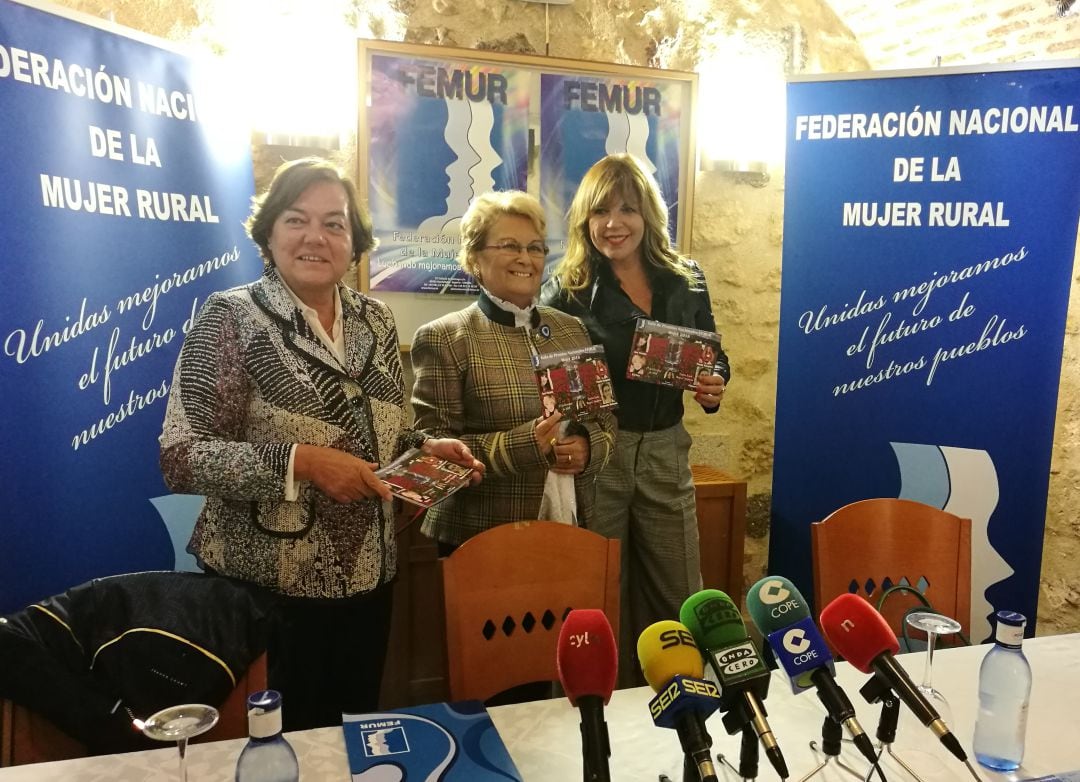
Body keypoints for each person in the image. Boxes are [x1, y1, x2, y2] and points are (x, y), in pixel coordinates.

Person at [159, 157, 482, 729]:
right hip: (267, 592)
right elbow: (183, 457)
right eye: (296, 219)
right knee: (276, 749)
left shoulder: (375, 319)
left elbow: (392, 431)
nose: (316, 236)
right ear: (268, 233)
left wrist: (427, 450)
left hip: (369, 578)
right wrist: (302, 463)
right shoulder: (230, 317)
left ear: (355, 240)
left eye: (335, 223)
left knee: (348, 738)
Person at [541, 153, 730, 685]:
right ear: (585, 219)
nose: (612, 224)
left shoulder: (686, 278)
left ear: (648, 214)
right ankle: (604, 709)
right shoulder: (568, 289)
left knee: (681, 590)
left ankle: (685, 699)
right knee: (601, 594)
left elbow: (714, 353)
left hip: (668, 448)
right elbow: (554, 383)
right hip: (602, 454)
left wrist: (714, 384)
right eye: (600, 211)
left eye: (626, 209)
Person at [410, 190, 615, 555]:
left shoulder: (571, 329)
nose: (525, 258)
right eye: (509, 246)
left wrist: (588, 447)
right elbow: (432, 455)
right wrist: (525, 446)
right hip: (483, 535)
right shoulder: (444, 336)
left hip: (572, 521)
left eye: (535, 248)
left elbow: (606, 419)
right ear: (474, 258)